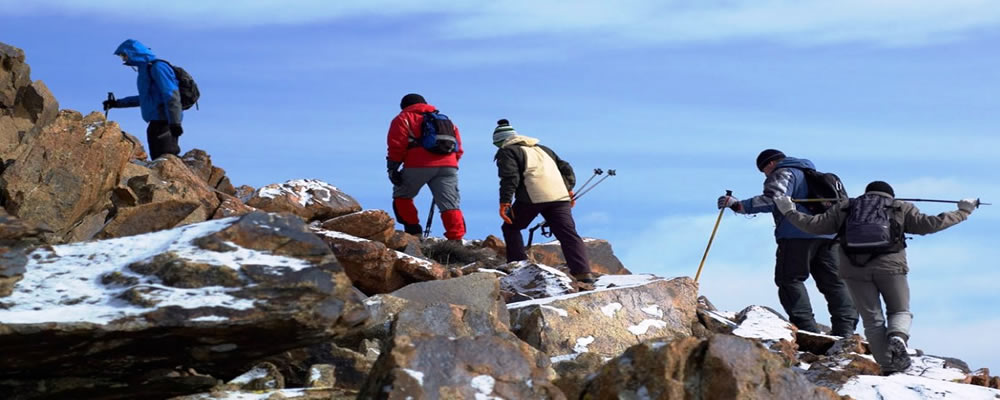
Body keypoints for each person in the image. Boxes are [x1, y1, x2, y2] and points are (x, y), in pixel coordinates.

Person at [775, 181, 977, 374]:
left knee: (872, 321)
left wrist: (789, 210)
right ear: (890, 195)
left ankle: (888, 366)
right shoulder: (900, 207)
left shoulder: (846, 207)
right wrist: (963, 212)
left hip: (853, 270)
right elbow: (931, 224)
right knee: (899, 310)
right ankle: (898, 337)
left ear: (866, 193)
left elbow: (813, 225)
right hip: (890, 267)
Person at [718, 149, 858, 336]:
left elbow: (775, 200)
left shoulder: (784, 172)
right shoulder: (816, 175)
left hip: (797, 234)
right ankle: (845, 330)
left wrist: (738, 205)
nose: (766, 175)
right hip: (829, 235)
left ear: (770, 164)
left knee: (789, 279)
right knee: (834, 282)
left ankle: (807, 329)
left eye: (763, 171)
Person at [493, 119, 593, 283]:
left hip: (533, 196)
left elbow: (510, 177)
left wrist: (505, 202)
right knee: (568, 234)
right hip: (560, 197)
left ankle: (518, 267)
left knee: (511, 226)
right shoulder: (543, 149)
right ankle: (583, 274)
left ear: (500, 141)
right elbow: (566, 168)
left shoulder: (508, 151)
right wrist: (568, 189)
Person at [385, 93, 466, 240]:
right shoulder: (446, 121)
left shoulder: (403, 118)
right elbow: (458, 148)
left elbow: (397, 145)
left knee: (402, 196)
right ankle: (456, 239)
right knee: (450, 204)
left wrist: (392, 168)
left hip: (418, 164)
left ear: (404, 106)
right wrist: (450, 163)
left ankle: (413, 232)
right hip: (448, 166)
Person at [103, 39, 184, 160]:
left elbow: (171, 94)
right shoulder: (144, 70)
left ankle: (176, 178)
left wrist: (174, 122)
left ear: (133, 53)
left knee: (166, 159)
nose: (123, 59)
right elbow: (146, 98)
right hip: (155, 121)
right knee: (158, 160)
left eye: (124, 55)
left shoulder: (158, 67)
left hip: (165, 121)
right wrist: (117, 103)